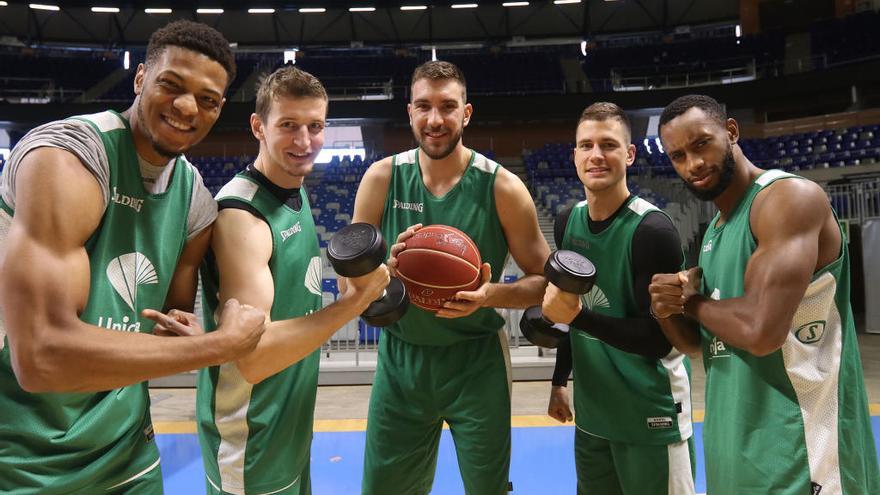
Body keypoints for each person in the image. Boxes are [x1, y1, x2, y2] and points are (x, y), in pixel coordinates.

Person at [0, 20, 267, 494]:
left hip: (126, 455)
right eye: (171, 85)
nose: (187, 108)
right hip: (19, 452)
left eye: (207, 99)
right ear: (140, 78)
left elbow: (167, 327)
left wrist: (195, 335)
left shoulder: (196, 203)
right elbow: (40, 358)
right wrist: (220, 345)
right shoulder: (65, 157)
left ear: (219, 108)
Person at [649, 94, 880, 495]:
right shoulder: (715, 234)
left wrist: (692, 301)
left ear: (731, 131)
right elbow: (702, 347)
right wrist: (666, 308)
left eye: (702, 144)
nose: (693, 164)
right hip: (736, 453)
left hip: (803, 453)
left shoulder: (788, 199)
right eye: (678, 156)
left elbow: (760, 330)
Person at [352, 60, 550, 495]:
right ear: (409, 112)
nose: (435, 119)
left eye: (448, 106)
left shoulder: (503, 188)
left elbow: (546, 283)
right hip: (401, 362)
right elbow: (356, 287)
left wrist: (490, 294)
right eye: (424, 106)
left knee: (487, 488)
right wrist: (387, 271)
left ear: (467, 113)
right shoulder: (381, 179)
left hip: (476, 362)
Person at [190, 66, 389, 495]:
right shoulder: (242, 218)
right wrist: (354, 303)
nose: (304, 142)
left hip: (289, 428)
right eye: (288, 126)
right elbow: (253, 356)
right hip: (250, 436)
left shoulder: (292, 187)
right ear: (258, 126)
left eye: (315, 126)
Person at [542, 102, 695, 495]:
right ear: (573, 154)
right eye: (586, 145)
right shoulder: (566, 221)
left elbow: (659, 339)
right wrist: (560, 381)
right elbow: (570, 308)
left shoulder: (652, 230)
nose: (596, 155)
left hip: (650, 412)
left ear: (629, 154)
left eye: (608, 145)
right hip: (593, 416)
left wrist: (577, 318)